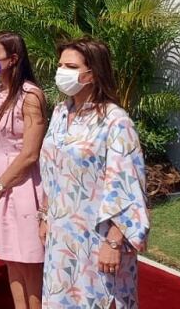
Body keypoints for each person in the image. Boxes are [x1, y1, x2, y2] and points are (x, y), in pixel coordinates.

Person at [39, 38, 149, 309]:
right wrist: (45, 216)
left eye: (71, 65)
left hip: (99, 240)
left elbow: (127, 186)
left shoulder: (116, 121)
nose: (61, 71)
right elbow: (52, 170)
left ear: (92, 73)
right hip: (62, 238)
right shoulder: (60, 113)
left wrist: (113, 242)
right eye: (60, 64)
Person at [0, 32, 48, 309]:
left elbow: (30, 153)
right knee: (10, 257)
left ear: (13, 59)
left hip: (18, 184)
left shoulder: (30, 96)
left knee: (28, 260)